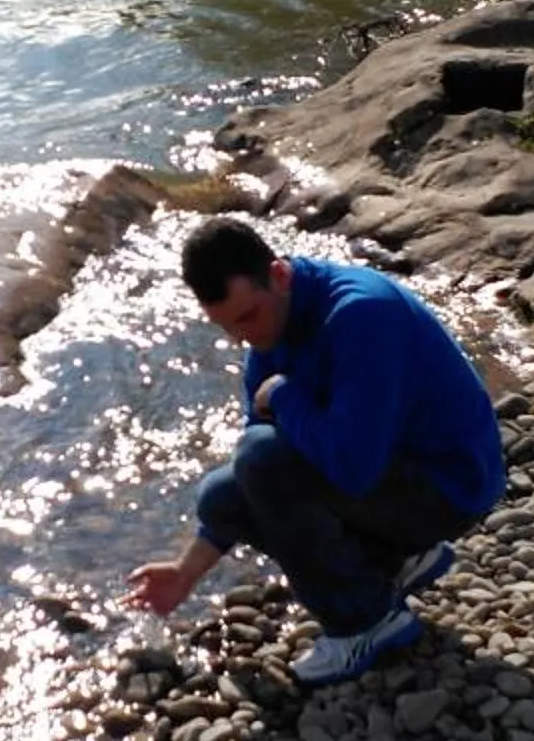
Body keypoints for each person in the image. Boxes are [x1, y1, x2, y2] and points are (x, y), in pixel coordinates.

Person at [125, 216, 506, 685]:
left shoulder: (361, 316)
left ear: (279, 275)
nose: (243, 338)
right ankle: (392, 561)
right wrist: (187, 572)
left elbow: (351, 470)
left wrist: (285, 396)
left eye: (246, 317)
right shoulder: (273, 326)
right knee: (220, 495)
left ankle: (365, 622)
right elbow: (255, 478)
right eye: (226, 327)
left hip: (449, 486)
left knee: (261, 459)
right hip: (390, 470)